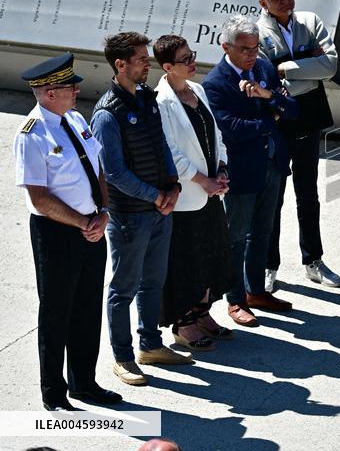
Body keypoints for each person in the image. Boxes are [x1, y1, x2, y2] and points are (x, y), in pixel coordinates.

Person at [12, 53, 122, 411]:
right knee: (56, 312)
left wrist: (102, 213)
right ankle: (54, 393)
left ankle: (84, 383)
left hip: (92, 227)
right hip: (56, 233)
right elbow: (40, 198)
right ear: (48, 93)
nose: (76, 90)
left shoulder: (75, 119)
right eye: (68, 87)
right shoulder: (32, 134)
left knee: (87, 308)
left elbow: (97, 169)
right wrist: (83, 223)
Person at [92, 33, 192, 387]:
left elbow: (162, 145)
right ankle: (123, 357)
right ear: (120, 64)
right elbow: (114, 173)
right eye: (140, 59)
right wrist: (155, 196)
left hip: (159, 209)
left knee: (153, 282)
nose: (147, 64)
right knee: (124, 289)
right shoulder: (106, 114)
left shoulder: (147, 99)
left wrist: (173, 187)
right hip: (130, 217)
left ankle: (150, 345)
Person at [203, 14, 299, 327]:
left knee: (263, 232)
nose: (251, 54)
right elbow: (230, 129)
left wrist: (267, 95)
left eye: (255, 47)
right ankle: (235, 299)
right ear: (225, 47)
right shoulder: (215, 84)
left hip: (272, 164)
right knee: (236, 236)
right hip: (242, 170)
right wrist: (269, 120)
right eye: (244, 49)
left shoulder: (264, 69)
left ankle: (256, 291)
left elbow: (292, 110)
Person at [255, 0, 340, 292]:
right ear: (263, 2)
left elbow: (330, 66)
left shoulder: (310, 21)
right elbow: (266, 79)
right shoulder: (256, 33)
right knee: (273, 197)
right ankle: (268, 264)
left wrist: (286, 66)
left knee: (308, 194)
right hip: (277, 122)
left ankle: (313, 260)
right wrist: (307, 66)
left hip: (310, 117)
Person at [153, 35, 234, 351]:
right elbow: (170, 152)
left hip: (210, 193)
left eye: (192, 55)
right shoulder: (161, 102)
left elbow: (215, 135)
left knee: (211, 257)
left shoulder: (197, 90)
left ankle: (203, 314)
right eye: (185, 59)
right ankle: (184, 324)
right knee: (187, 261)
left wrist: (221, 169)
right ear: (167, 67)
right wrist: (203, 181)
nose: (192, 62)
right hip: (187, 197)